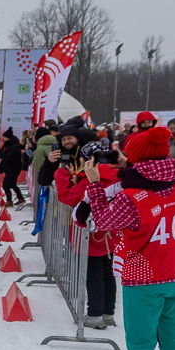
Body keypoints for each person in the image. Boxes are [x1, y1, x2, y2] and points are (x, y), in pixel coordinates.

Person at [84, 127, 175, 350]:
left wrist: (94, 185)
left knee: (141, 349)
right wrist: (125, 163)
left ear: (138, 158)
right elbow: (150, 177)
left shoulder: (132, 196)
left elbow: (102, 221)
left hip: (144, 282)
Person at [53, 140, 122, 329]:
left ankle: (95, 314)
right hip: (110, 233)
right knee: (107, 273)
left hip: (91, 234)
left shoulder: (89, 181)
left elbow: (66, 196)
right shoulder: (117, 177)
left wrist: (61, 173)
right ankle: (108, 312)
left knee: (93, 274)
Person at [0, 128, 25, 205]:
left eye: (4, 137)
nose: (3, 138)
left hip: (14, 168)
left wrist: (2, 155)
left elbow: (9, 157)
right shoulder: (6, 145)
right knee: (13, 184)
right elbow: (1, 155)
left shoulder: (14, 146)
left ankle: (9, 201)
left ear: (8, 138)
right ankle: (20, 198)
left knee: (6, 185)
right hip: (9, 168)